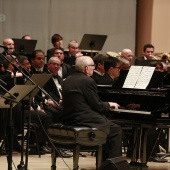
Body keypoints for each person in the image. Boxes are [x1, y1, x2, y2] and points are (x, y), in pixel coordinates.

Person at [62, 56, 122, 161]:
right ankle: (112, 165)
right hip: (83, 119)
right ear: (86, 68)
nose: (93, 68)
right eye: (92, 66)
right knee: (116, 129)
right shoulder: (88, 81)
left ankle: (103, 163)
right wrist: (109, 104)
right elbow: (97, 105)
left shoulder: (68, 79)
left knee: (109, 126)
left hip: (69, 118)